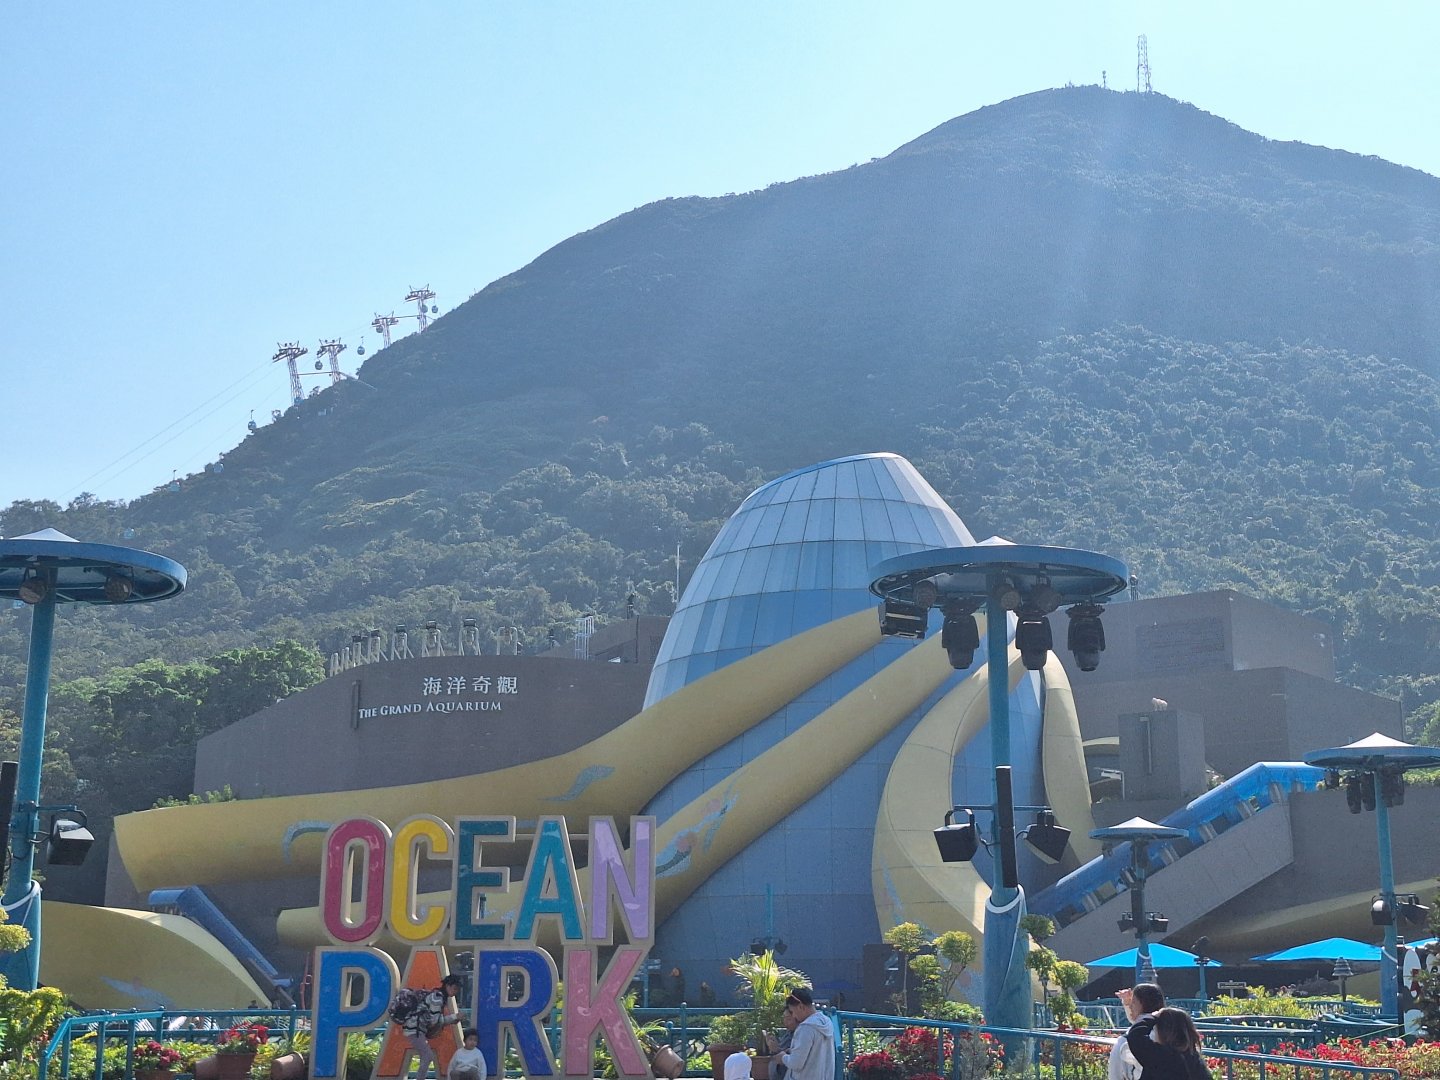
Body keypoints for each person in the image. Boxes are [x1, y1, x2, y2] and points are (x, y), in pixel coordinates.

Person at [403, 974, 465, 1080]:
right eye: (454, 988)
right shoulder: (437, 998)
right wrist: (454, 1017)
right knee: (427, 1056)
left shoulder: (438, 995)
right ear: (447, 986)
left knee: (426, 1056)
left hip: (415, 1028)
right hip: (415, 1029)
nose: (455, 992)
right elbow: (434, 1021)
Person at [1125, 1006, 1210, 1080]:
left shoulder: (1161, 1056)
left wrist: (1151, 1016)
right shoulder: (1194, 1059)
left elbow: (1135, 1036)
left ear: (1163, 1031)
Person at [767, 989, 833, 1080]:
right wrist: (792, 1050)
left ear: (801, 1007)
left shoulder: (806, 1028)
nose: (793, 1016)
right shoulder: (827, 1021)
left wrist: (783, 1058)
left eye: (792, 1011)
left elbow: (796, 1063)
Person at [1109, 984, 1165, 1080]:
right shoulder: (1175, 1032)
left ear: (1142, 1004)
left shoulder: (1126, 1041)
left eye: (1133, 1002)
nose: (1130, 1006)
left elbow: (1115, 1074)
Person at [765, 1001, 798, 1080]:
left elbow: (791, 1059)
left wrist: (776, 1050)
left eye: (788, 1019)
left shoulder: (800, 1036)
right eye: (784, 1018)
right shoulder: (788, 1033)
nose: (785, 1022)